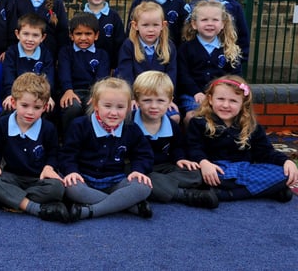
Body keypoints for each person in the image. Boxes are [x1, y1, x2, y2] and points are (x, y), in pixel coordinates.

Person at [186, 76, 297, 203]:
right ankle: (270, 190)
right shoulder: (199, 122)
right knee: (194, 175)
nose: (225, 105)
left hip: (244, 171)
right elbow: (193, 148)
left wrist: (286, 161)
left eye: (233, 101)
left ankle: (225, 194)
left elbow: (266, 152)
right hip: (214, 170)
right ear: (210, 99)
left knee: (285, 174)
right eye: (220, 99)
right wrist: (203, 162)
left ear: (243, 104)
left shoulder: (251, 126)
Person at [61, 77, 154, 221]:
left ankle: (91, 210)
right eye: (108, 106)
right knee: (71, 188)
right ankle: (128, 206)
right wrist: (72, 172)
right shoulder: (80, 125)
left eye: (120, 107)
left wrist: (138, 170)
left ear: (128, 108)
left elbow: (143, 154)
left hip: (116, 182)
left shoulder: (131, 128)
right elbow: (68, 154)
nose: (114, 113)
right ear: (96, 105)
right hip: (84, 180)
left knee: (144, 187)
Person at [0, 73, 68, 222]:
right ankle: (34, 207)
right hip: (11, 176)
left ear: (45, 107)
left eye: (37, 107)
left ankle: (4, 199)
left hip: (37, 178)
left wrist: (49, 166)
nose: (30, 112)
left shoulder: (48, 128)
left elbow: (53, 153)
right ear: (14, 103)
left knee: (57, 188)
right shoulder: (2, 124)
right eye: (25, 105)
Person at [133, 71, 218, 208]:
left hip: (163, 167)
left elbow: (177, 146)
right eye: (147, 100)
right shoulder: (130, 124)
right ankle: (184, 195)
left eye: (160, 101)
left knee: (195, 174)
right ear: (137, 101)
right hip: (137, 167)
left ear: (170, 101)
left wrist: (180, 159)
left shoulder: (172, 125)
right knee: (136, 179)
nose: (154, 106)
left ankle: (159, 187)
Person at [178, 1, 242, 126]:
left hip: (222, 96)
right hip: (193, 95)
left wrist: (223, 95)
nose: (210, 24)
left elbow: (235, 76)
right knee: (193, 117)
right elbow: (183, 75)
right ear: (194, 24)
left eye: (215, 20)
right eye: (204, 20)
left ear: (223, 24)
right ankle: (192, 144)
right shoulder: (186, 48)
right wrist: (196, 92)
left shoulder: (229, 49)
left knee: (227, 116)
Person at [57, 12, 110, 131]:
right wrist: (68, 90)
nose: (83, 38)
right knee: (72, 106)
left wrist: (96, 94)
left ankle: (91, 139)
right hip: (71, 90)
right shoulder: (66, 52)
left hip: (92, 92)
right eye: (78, 34)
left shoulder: (102, 54)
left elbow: (102, 77)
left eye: (88, 34)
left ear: (96, 35)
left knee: (94, 107)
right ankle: (68, 139)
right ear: (71, 35)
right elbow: (64, 73)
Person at [1, 13, 54, 112]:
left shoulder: (46, 54)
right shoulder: (11, 53)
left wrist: (48, 96)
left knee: (49, 109)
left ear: (42, 37)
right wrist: (10, 95)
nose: (30, 39)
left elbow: (49, 78)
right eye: (26, 34)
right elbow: (8, 77)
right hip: (16, 96)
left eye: (35, 35)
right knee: (8, 109)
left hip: (38, 97)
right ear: (17, 34)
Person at [117, 1, 177, 87]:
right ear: (135, 25)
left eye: (155, 25)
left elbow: (171, 75)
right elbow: (126, 75)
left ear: (163, 25)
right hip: (136, 94)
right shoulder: (129, 45)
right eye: (145, 25)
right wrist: (132, 98)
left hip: (160, 94)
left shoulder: (168, 46)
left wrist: (168, 96)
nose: (151, 29)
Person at [81, 0, 125, 71]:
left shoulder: (114, 17)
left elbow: (119, 43)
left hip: (109, 67)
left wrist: (115, 66)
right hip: (84, 66)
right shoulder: (79, 17)